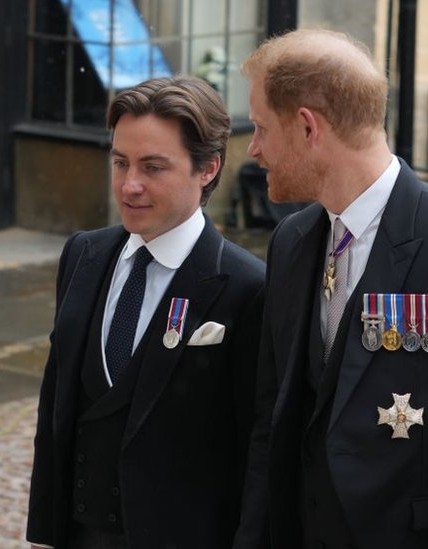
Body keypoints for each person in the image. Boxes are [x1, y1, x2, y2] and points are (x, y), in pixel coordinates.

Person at [235, 29, 428, 548]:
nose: (254, 148)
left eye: (263, 127)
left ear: (308, 127)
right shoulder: (292, 240)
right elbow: (273, 420)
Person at [26, 75, 265, 548]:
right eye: (120, 163)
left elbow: (255, 449)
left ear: (208, 168)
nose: (129, 186)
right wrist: (44, 533)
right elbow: (56, 407)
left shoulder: (247, 287)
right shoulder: (83, 254)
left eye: (153, 168)